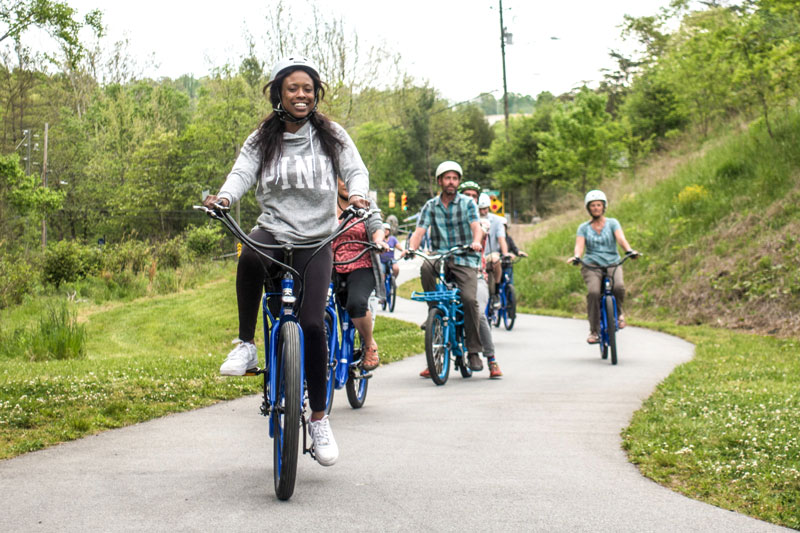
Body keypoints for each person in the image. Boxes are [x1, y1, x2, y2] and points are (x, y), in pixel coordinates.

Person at [202, 56, 370, 467]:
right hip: (275, 231)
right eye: (293, 88)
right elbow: (242, 173)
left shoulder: (331, 134)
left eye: (308, 89)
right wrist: (225, 198)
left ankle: (318, 419)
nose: (301, 95)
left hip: (317, 239)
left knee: (313, 325)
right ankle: (246, 346)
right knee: (250, 255)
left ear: (316, 95)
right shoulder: (264, 136)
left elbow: (356, 170)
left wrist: (360, 197)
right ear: (279, 93)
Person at [405, 161, 484, 371]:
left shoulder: (468, 203)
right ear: (440, 181)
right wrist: (411, 248)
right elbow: (419, 231)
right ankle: (435, 311)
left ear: (458, 181)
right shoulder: (431, 205)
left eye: (455, 178)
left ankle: (474, 351)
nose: (451, 182)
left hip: (464, 257)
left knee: (468, 299)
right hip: (441, 256)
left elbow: (477, 227)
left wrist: (476, 241)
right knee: (426, 266)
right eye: (447, 178)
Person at [568, 190, 638, 344]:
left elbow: (621, 239)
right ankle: (594, 331)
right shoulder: (583, 227)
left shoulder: (613, 223)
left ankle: (619, 314)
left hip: (612, 261)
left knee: (618, 287)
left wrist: (629, 251)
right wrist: (577, 257)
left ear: (604, 207)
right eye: (592, 205)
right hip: (592, 264)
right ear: (588, 208)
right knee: (593, 293)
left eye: (599, 205)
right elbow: (579, 246)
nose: (596, 208)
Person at [332, 177, 387, 371]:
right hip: (329, 264)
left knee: (356, 303)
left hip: (361, 263)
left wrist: (379, 241)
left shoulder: (366, 202)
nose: (346, 183)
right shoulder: (325, 202)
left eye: (350, 178)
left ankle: (369, 343)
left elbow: (376, 227)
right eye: (341, 178)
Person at [458, 181, 503, 378]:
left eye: (474, 196)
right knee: (439, 307)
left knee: (479, 311)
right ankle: (434, 356)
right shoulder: (452, 216)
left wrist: (476, 240)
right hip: (453, 271)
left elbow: (482, 231)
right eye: (466, 195)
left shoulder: (481, 221)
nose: (470, 199)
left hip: (476, 273)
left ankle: (491, 358)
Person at [477, 193, 510, 309]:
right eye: (480, 209)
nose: (482, 212)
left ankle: (496, 292)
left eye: (485, 209)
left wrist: (505, 254)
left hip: (490, 253)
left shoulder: (496, 221)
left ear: (489, 207)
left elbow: (501, 239)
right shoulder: (472, 219)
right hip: (476, 253)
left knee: (496, 260)